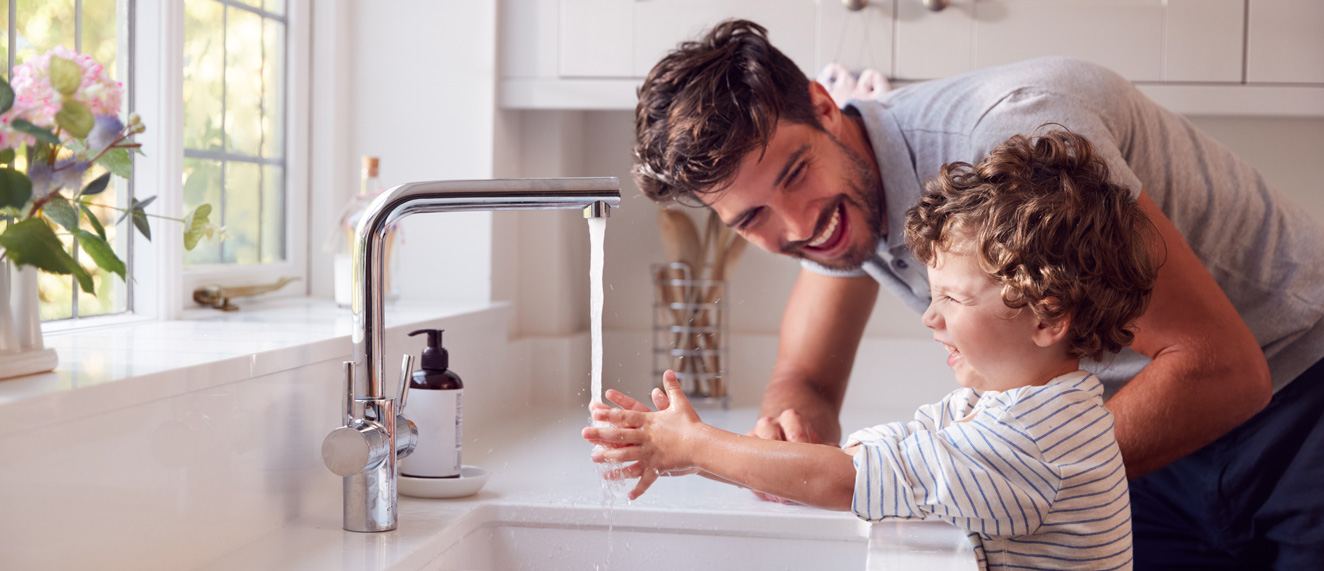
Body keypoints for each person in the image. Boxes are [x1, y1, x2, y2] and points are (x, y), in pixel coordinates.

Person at [628, 19, 1324, 569]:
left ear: (823, 104)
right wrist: (788, 432)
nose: (797, 224)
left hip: (1297, 396)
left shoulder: (1008, 145)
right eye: (752, 219)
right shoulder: (834, 213)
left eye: (794, 173)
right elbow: (804, 377)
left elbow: (1222, 368)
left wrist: (982, 475)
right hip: (1146, 429)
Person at [587, 129, 1153, 570]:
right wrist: (691, 453)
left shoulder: (1031, 441)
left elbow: (850, 479)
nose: (930, 317)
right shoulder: (1025, 406)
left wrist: (697, 447)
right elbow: (895, 450)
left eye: (952, 298)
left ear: (1049, 316)